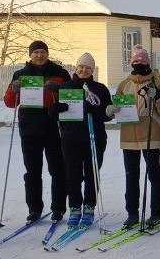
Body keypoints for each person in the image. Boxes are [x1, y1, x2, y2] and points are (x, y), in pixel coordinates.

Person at [3, 40, 70, 223]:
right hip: (29, 129)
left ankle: (58, 208)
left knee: (58, 170)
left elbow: (71, 99)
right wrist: (14, 89)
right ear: (30, 55)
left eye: (42, 52)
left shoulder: (60, 73)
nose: (39, 55)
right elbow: (10, 102)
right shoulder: (20, 75)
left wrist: (58, 90)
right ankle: (34, 209)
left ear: (47, 53)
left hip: (54, 128)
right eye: (36, 52)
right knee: (32, 171)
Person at [107, 45, 160, 228]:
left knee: (153, 174)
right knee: (131, 175)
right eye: (136, 62)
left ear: (148, 63)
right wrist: (111, 110)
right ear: (131, 64)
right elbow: (116, 106)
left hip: (150, 132)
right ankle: (132, 213)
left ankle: (156, 211)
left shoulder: (155, 82)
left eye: (143, 62)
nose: (139, 64)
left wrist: (158, 97)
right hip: (129, 134)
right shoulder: (124, 84)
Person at [48, 53, 112, 228]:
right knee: (72, 174)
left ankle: (89, 207)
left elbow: (106, 115)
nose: (84, 70)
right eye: (81, 67)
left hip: (94, 137)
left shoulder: (100, 88)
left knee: (92, 173)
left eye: (88, 68)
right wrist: (56, 109)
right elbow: (54, 114)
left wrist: (106, 112)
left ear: (92, 70)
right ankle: (75, 207)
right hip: (71, 138)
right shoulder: (66, 87)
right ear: (76, 68)